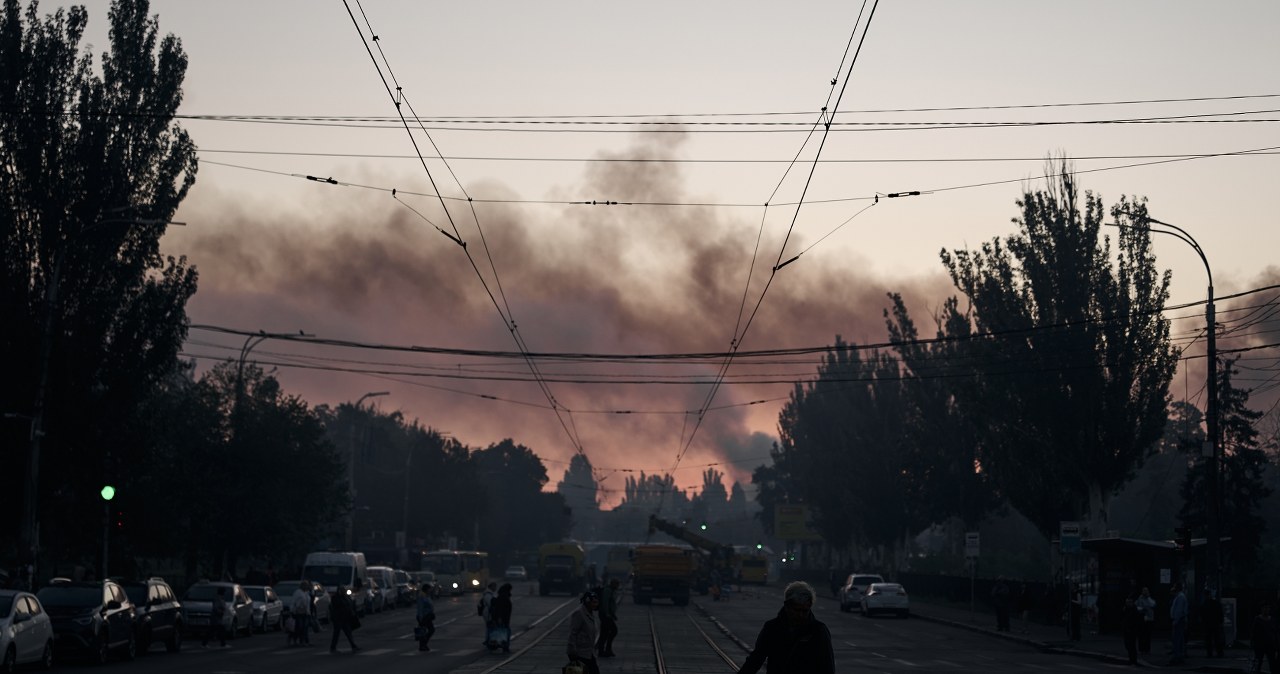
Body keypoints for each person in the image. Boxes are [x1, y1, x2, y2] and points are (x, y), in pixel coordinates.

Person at [738, 581, 835, 674]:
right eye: (797, 610)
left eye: (805, 611)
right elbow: (756, 659)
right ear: (787, 606)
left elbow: (827, 666)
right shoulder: (772, 628)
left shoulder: (818, 630)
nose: (800, 615)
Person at [566, 590, 601, 674]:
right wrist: (572, 650)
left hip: (589, 652)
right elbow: (573, 633)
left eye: (596, 602)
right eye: (593, 602)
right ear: (587, 602)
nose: (596, 605)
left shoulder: (590, 613)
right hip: (579, 653)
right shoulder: (579, 613)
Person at [329, 584, 360, 653]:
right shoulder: (335, 598)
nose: (343, 591)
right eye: (341, 589)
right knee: (337, 633)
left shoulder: (346, 597)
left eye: (343, 589)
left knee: (348, 632)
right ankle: (333, 647)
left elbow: (350, 605)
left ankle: (353, 646)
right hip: (338, 618)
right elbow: (337, 607)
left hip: (345, 618)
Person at [596, 577, 620, 657]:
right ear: (613, 584)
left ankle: (604, 650)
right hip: (605, 615)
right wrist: (607, 614)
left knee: (605, 632)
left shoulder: (611, 590)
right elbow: (605, 603)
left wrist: (613, 615)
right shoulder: (607, 590)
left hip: (607, 615)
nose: (618, 586)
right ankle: (605, 649)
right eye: (617, 584)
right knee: (613, 631)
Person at [1251, 602, 1277, 674]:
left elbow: (1275, 632)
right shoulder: (1257, 619)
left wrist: (1276, 643)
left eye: (1268, 608)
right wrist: (1253, 642)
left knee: (1272, 662)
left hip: (1270, 644)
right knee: (1259, 661)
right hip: (1260, 644)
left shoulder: (1272, 619)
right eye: (1265, 608)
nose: (1266, 609)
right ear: (1261, 609)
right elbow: (1254, 632)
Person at [489, 583, 513, 653]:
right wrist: (500, 618)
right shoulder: (503, 597)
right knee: (505, 632)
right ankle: (504, 646)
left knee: (502, 632)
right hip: (503, 618)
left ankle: (499, 645)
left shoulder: (502, 596)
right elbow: (500, 609)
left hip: (504, 618)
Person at [1201, 586, 1225, 657]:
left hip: (1208, 624)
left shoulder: (1205, 604)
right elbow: (1220, 613)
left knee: (1209, 639)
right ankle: (1219, 653)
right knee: (1217, 638)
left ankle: (1210, 653)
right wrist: (1221, 621)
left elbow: (1203, 614)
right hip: (1215, 623)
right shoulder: (1216, 603)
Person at [1169, 582, 1188, 665]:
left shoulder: (1180, 597)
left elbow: (1179, 610)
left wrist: (1175, 620)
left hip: (1179, 620)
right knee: (1179, 639)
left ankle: (1176, 657)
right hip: (1180, 620)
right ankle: (1179, 656)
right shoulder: (1180, 596)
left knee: (1177, 639)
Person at [289, 581, 313, 646]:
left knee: (305, 628)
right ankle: (297, 640)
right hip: (298, 613)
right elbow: (293, 602)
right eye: (306, 585)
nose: (307, 587)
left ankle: (304, 641)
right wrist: (292, 610)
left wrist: (309, 612)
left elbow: (309, 602)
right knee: (300, 627)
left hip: (306, 612)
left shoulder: (307, 593)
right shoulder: (298, 592)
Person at [1121, 592, 1143, 665]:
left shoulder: (1134, 610)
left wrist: (1133, 629)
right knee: (1128, 645)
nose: (1128, 603)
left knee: (1131, 646)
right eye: (1127, 602)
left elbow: (1135, 621)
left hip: (1132, 630)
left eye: (1129, 602)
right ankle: (1131, 660)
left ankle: (1133, 660)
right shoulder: (1126, 609)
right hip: (1126, 629)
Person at [1135, 586, 1156, 655]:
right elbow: (1136, 606)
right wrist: (1142, 609)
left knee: (1148, 635)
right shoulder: (1140, 598)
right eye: (1144, 590)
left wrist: (1148, 597)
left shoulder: (1150, 599)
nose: (1145, 592)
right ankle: (1141, 649)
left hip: (1149, 618)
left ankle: (1147, 649)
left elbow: (1153, 605)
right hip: (1142, 618)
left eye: (1146, 591)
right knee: (1141, 634)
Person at [415, 583, 436, 652]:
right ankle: (423, 645)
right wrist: (420, 618)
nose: (431, 590)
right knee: (427, 630)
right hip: (424, 616)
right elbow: (420, 608)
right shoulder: (422, 596)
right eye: (430, 589)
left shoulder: (427, 596)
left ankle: (423, 645)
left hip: (428, 616)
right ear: (426, 589)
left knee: (426, 631)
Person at [479, 581, 497, 647]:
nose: (495, 588)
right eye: (494, 586)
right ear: (491, 587)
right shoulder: (488, 595)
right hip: (488, 613)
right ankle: (488, 640)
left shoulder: (489, 594)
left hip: (488, 612)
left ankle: (488, 639)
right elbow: (490, 604)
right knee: (490, 626)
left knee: (489, 626)